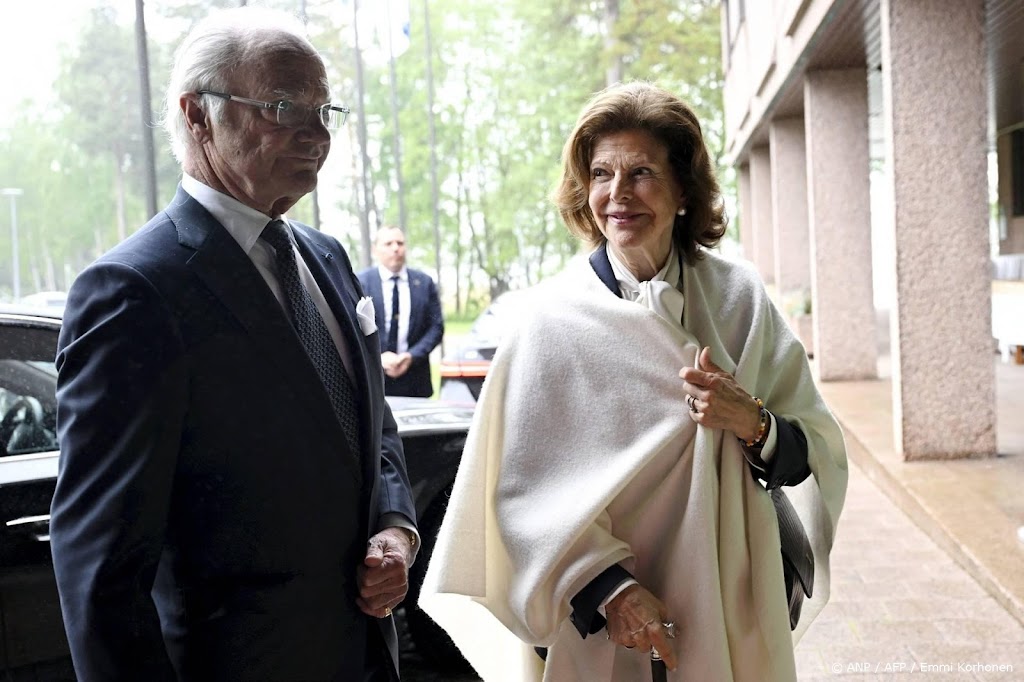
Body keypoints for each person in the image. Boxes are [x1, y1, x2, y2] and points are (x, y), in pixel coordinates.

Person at [420, 81, 848, 681]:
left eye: (641, 172)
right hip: (605, 620)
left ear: (684, 189)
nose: (618, 194)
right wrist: (610, 590)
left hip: (730, 598)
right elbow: (517, 493)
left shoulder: (740, 299)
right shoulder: (548, 321)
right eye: (601, 174)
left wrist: (753, 422)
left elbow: (814, 453)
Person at [49, 8, 418, 681]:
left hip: (363, 657)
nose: (316, 134)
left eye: (323, 111)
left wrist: (395, 526)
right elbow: (100, 571)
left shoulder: (328, 258)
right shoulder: (134, 291)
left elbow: (373, 428)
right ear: (197, 115)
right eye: (282, 107)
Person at [358, 226, 444, 398]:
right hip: (373, 382)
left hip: (415, 381)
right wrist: (378, 357)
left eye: (400, 243)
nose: (396, 248)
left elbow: (436, 327)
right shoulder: (361, 282)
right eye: (388, 243)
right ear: (375, 250)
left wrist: (411, 356)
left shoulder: (424, 283)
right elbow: (352, 327)